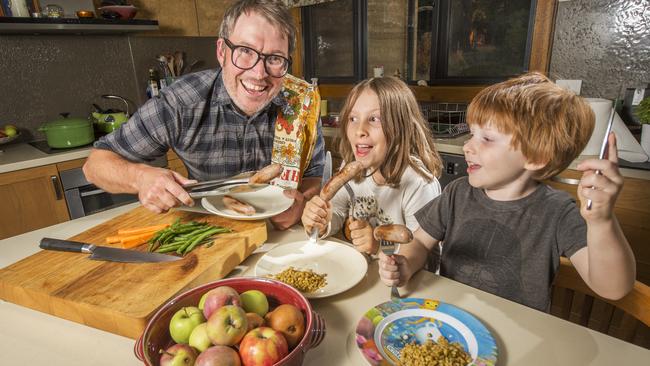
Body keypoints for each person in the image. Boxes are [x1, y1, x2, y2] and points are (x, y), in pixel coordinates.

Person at [378, 72, 636, 311]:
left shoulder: (559, 212)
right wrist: (407, 265)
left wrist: (602, 221)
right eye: (472, 134)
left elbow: (612, 288)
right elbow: (421, 242)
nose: (468, 146)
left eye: (486, 138)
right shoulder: (458, 193)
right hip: (454, 319)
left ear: (536, 157)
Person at [82, 0, 324, 230]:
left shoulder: (302, 105)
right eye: (245, 51)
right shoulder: (183, 101)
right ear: (222, 52)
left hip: (280, 237)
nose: (259, 73)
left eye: (274, 58)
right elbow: (95, 165)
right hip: (208, 233)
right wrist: (141, 177)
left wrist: (301, 200)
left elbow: (313, 175)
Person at [301, 77, 443, 255]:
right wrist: (322, 222)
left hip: (408, 280)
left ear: (401, 127)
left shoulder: (419, 184)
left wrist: (379, 247)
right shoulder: (352, 167)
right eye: (353, 118)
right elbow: (336, 211)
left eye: (374, 119)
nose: (359, 130)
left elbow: (423, 254)